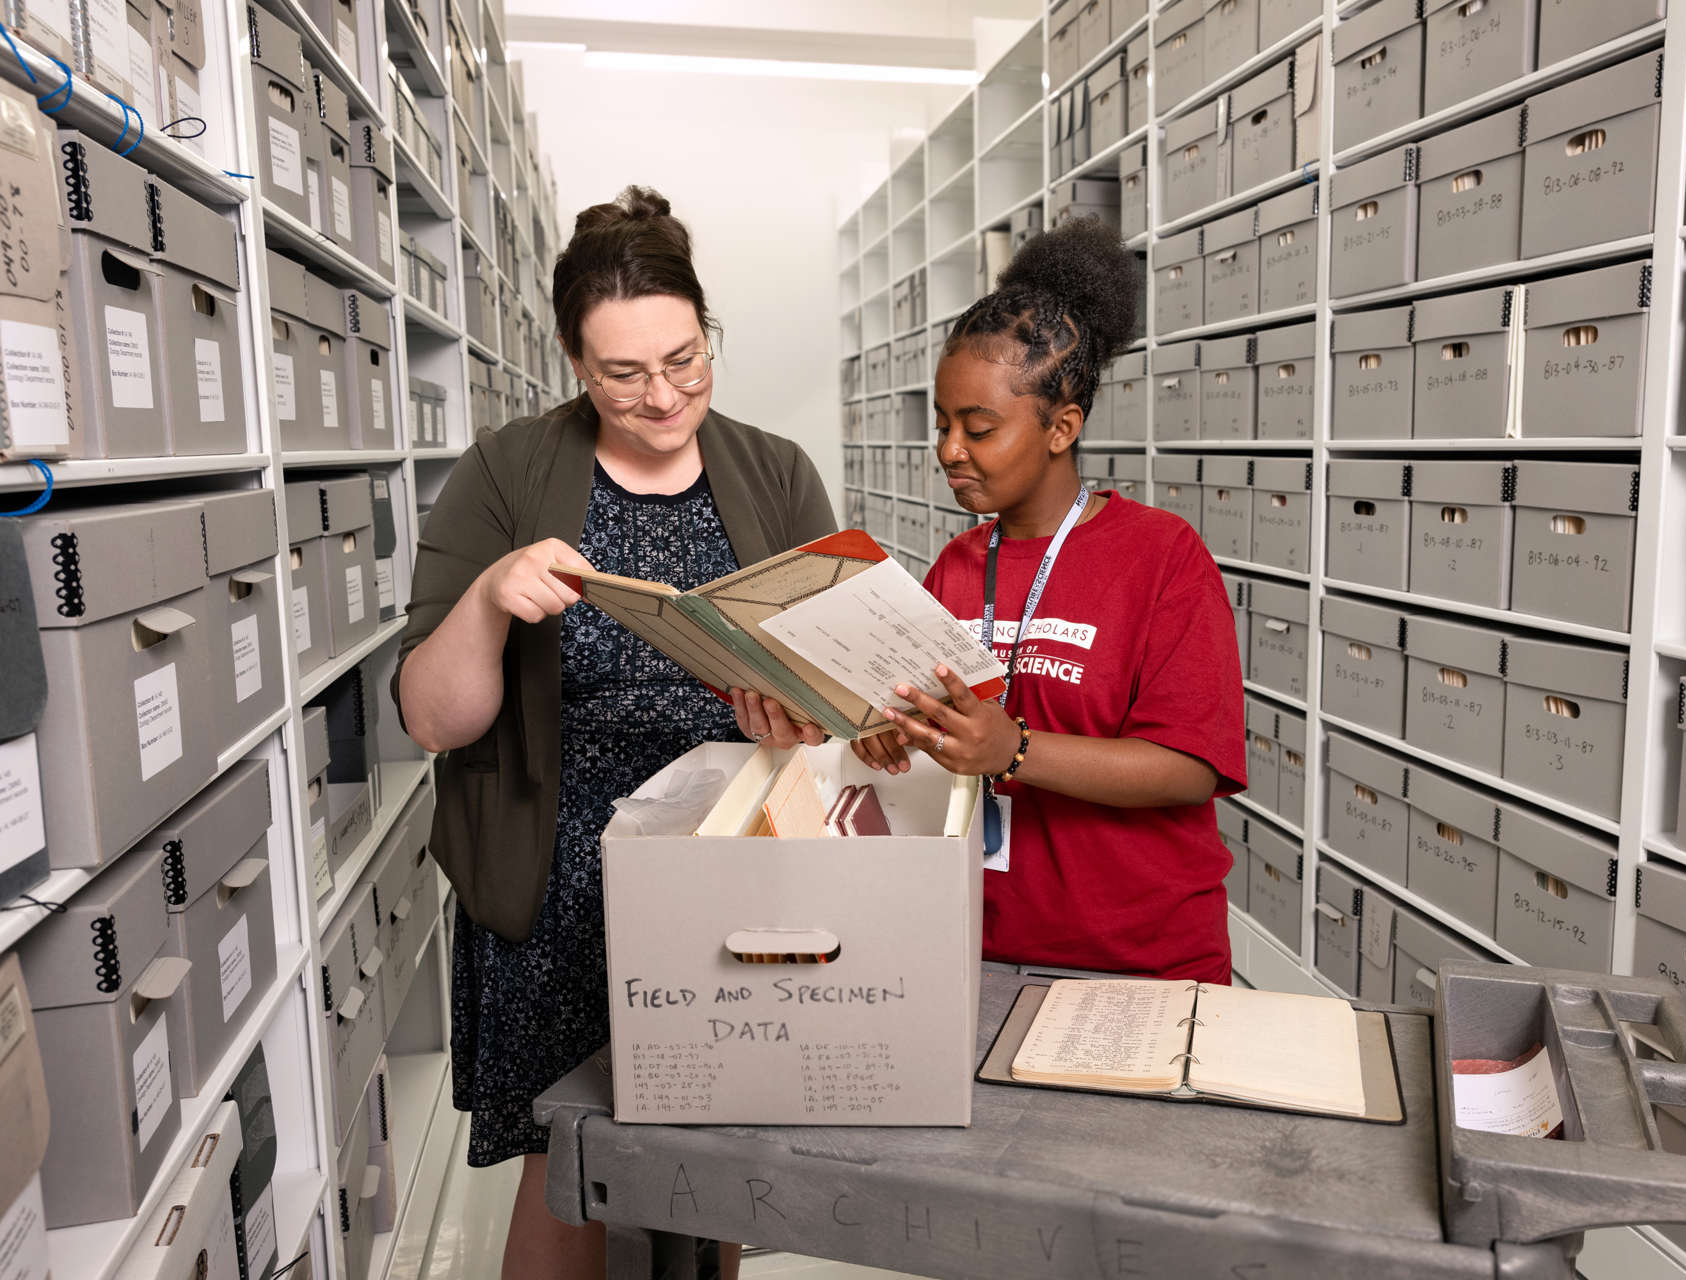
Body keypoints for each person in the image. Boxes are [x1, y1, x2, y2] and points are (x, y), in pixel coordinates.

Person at [394, 186, 834, 1280]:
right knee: (570, 1175)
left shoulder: (774, 470)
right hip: (557, 890)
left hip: (728, 869)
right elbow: (431, 717)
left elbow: (837, 695)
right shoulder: (508, 470)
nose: (662, 395)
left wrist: (800, 712)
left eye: (685, 360)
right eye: (624, 373)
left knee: (712, 1164)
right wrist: (491, 596)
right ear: (573, 362)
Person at [742, 218, 1247, 983]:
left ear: (1060, 428)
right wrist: (888, 734)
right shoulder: (957, 563)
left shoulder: (1161, 557)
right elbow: (932, 730)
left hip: (1134, 956)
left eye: (978, 428)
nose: (949, 449)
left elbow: (1188, 769)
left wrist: (1012, 750)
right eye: (943, 425)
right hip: (974, 940)